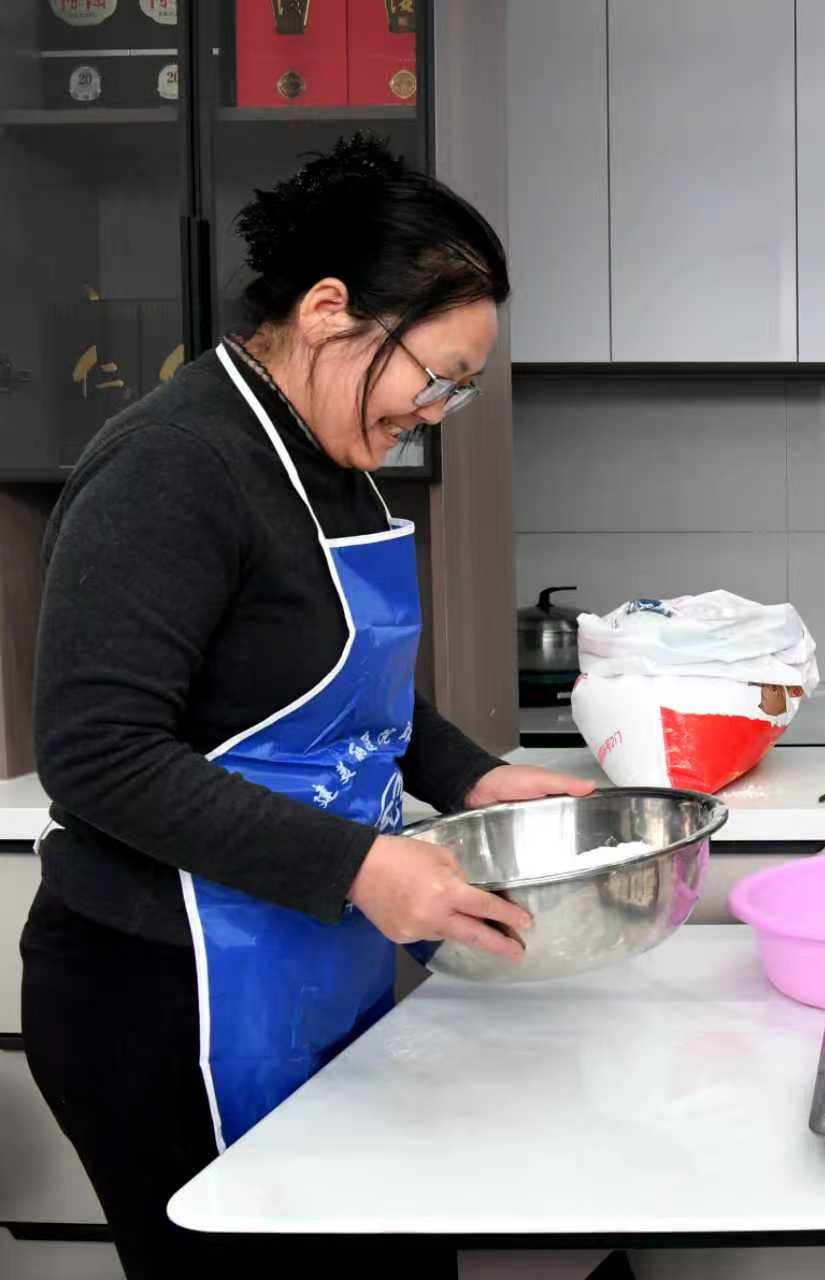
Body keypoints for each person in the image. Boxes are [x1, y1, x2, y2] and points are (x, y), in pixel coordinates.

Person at [20, 135, 594, 1277]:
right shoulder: (173, 463)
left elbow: (329, 683)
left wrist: (469, 774)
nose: (438, 410)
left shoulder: (331, 461)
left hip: (304, 956)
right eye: (437, 375)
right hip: (166, 990)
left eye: (460, 389)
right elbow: (96, 754)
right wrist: (364, 865)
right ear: (331, 311)